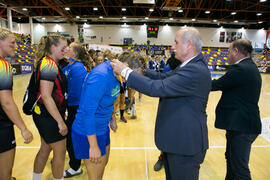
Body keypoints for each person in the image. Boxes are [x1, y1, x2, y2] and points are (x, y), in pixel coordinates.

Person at [111, 27, 211, 180]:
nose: (172, 47)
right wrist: (141, 72)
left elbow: (158, 88)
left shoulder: (195, 70)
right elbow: (163, 78)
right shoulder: (188, 66)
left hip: (185, 145)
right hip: (177, 141)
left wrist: (125, 71)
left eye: (176, 43)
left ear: (189, 44)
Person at [71, 51, 145, 180]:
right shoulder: (101, 76)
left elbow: (108, 98)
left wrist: (112, 118)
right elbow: (87, 113)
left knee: (102, 168)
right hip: (88, 132)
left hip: (102, 127)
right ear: (125, 66)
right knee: (95, 177)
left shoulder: (116, 74)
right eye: (133, 75)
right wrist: (93, 146)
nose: (133, 80)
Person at [211, 39, 262, 180]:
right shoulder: (249, 66)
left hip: (242, 127)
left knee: (239, 169)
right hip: (241, 125)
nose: (227, 55)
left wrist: (194, 81)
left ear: (236, 51)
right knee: (232, 163)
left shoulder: (241, 69)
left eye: (228, 51)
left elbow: (216, 85)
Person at [32, 34, 68, 180]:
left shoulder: (49, 62)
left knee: (45, 148)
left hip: (44, 114)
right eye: (63, 47)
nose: (65, 50)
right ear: (53, 47)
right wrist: (60, 121)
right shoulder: (49, 64)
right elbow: (46, 96)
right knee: (60, 152)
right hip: (49, 116)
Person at [0, 28, 33, 180]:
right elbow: (6, 101)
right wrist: (23, 128)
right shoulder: (3, 66)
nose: (16, 46)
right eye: (12, 43)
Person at [62, 42, 91, 178]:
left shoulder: (78, 68)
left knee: (71, 137)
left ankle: (75, 167)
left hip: (76, 107)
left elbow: (74, 93)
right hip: (72, 106)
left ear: (75, 53)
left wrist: (64, 105)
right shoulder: (70, 66)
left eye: (70, 47)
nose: (66, 49)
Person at [153, 53, 181, 172]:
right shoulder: (170, 65)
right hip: (168, 102)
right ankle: (162, 157)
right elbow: (161, 81)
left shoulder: (191, 66)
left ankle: (178, 158)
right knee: (166, 133)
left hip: (184, 105)